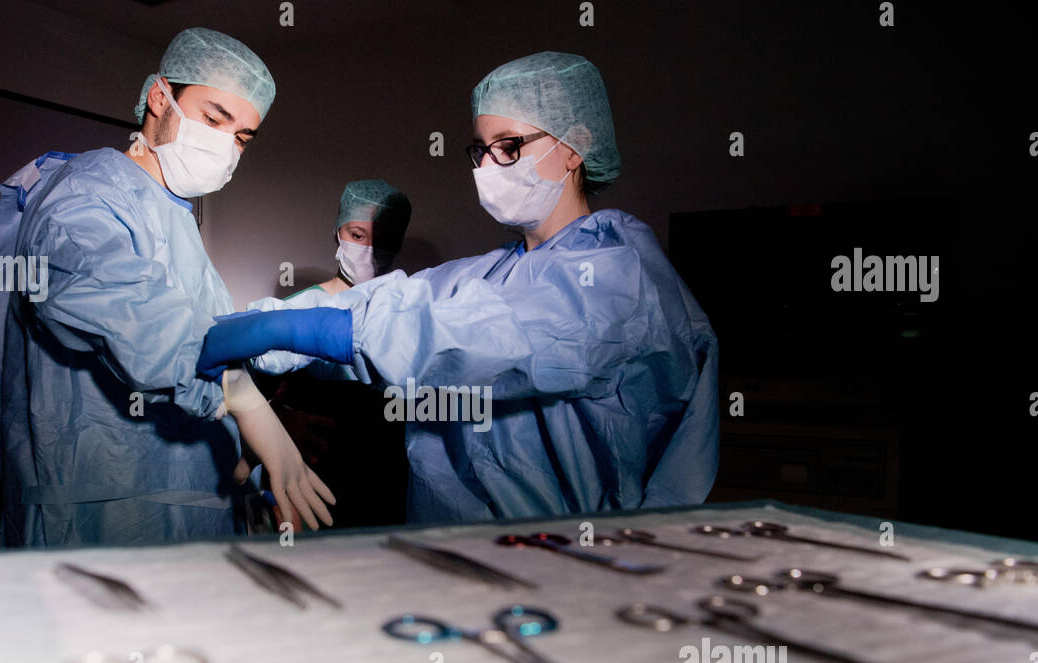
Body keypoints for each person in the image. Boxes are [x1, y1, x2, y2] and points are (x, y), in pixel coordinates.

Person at [197, 51, 719, 524]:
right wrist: (263, 327)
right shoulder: (491, 273)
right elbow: (389, 300)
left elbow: (462, 339)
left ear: (575, 147)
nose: (488, 167)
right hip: (453, 546)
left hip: (566, 553)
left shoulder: (617, 276)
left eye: (509, 147)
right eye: (480, 150)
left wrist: (300, 327)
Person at [0, 27, 334, 547]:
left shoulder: (171, 214)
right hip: (104, 513)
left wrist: (252, 425)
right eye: (214, 117)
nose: (224, 144)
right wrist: (244, 402)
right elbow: (129, 310)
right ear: (159, 96)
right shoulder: (82, 195)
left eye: (241, 136)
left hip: (187, 502)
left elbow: (205, 331)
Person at [257, 180, 413, 526]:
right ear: (337, 231)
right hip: (316, 475)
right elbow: (253, 401)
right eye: (357, 235)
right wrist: (279, 423)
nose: (369, 249)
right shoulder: (299, 310)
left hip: (391, 480)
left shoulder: (412, 309)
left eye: (383, 239)